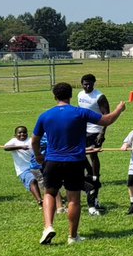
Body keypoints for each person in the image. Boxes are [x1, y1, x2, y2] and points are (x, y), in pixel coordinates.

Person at [33, 82, 126, 245]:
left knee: (49, 193)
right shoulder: (80, 112)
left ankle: (48, 226)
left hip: (52, 160)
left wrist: (39, 156)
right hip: (74, 161)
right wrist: (119, 109)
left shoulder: (45, 116)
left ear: (55, 96)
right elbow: (106, 120)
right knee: (73, 199)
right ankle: (72, 236)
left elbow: (35, 140)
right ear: (70, 95)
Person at [78, 74, 110, 210]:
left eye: (90, 84)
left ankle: (95, 175)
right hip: (82, 129)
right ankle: (89, 172)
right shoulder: (80, 95)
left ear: (94, 83)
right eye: (85, 84)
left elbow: (106, 116)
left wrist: (102, 133)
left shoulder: (99, 97)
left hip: (96, 130)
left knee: (93, 153)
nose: (87, 86)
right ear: (81, 84)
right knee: (80, 153)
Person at [3, 126, 43, 206]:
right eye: (19, 133)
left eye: (24, 132)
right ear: (15, 134)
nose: (22, 134)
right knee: (32, 180)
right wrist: (20, 147)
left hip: (36, 166)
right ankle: (40, 201)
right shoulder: (14, 141)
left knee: (46, 182)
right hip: (23, 169)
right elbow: (5, 148)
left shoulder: (31, 140)